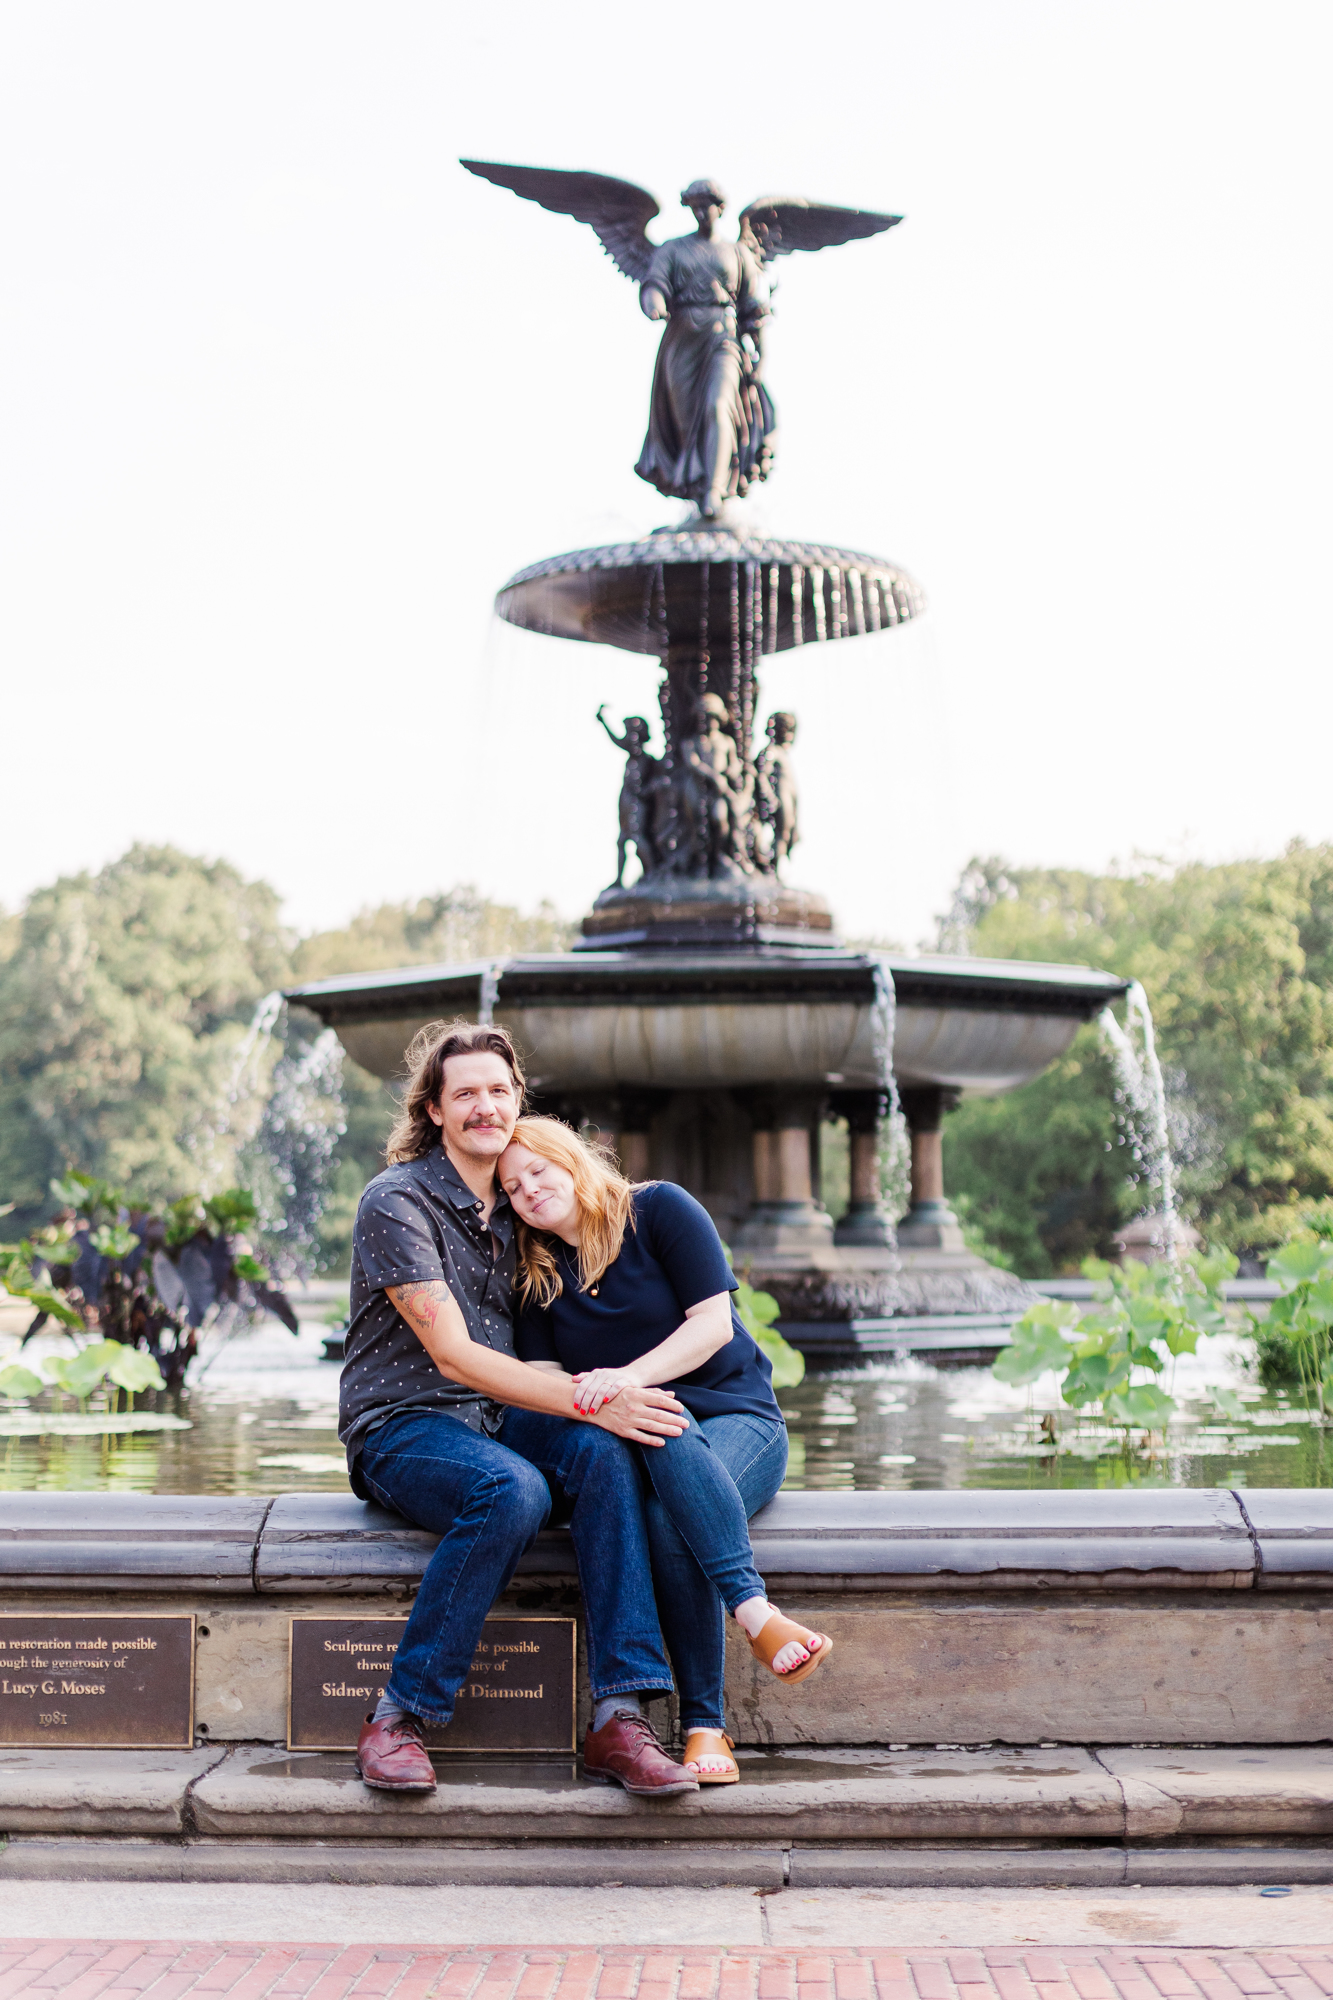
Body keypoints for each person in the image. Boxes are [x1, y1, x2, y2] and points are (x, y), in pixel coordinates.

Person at [339, 1019, 699, 1800]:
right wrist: (594, 1398)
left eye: (499, 1091)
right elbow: (455, 1357)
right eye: (464, 1093)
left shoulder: (520, 1205)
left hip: (498, 1420)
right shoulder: (396, 1202)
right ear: (433, 1109)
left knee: (604, 1456)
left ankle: (618, 1715)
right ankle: (398, 1717)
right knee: (513, 1489)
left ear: (516, 1101)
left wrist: (630, 1385)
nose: (485, 1107)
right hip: (404, 1423)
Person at [500, 1116, 832, 1786]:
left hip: (738, 1420)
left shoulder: (657, 1211)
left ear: (573, 1162)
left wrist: (624, 1382)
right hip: (647, 1431)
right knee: (660, 1497)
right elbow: (538, 1379)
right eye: (511, 1186)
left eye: (539, 1170)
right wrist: (596, 1397)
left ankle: (706, 1719)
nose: (528, 1190)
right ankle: (756, 1622)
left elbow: (711, 1326)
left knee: (664, 1434)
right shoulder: (536, 1277)